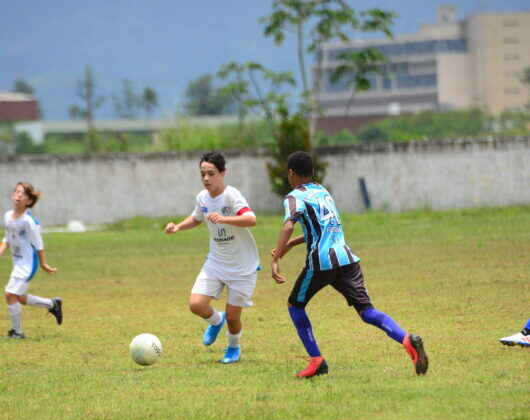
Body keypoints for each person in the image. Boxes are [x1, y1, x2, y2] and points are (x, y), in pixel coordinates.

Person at [271, 151, 428, 378]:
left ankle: (317, 361)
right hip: (346, 259)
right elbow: (320, 229)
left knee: (295, 305)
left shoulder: (294, 197)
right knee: (366, 311)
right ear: (313, 172)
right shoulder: (323, 192)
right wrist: (290, 246)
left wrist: (276, 259)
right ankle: (406, 340)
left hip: (321, 263)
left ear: (291, 174)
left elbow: (288, 225)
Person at [164, 152, 259, 364]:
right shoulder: (202, 198)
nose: (206, 178)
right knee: (196, 304)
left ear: (222, 173)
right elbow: (197, 218)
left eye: (211, 174)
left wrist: (224, 218)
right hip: (216, 261)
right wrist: (178, 227)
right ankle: (216, 322)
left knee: (234, 317)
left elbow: (250, 219)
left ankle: (233, 348)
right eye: (203, 174)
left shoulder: (232, 196)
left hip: (242, 265)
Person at [1, 182, 62, 339]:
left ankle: (17, 332)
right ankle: (52, 304)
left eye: (23, 194)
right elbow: (7, 238)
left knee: (9, 295)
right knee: (19, 298)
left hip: (28, 264)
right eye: (16, 192)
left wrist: (43, 264)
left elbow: (38, 244)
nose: (18, 195)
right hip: (17, 263)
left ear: (29, 201)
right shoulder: (7, 216)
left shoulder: (29, 222)